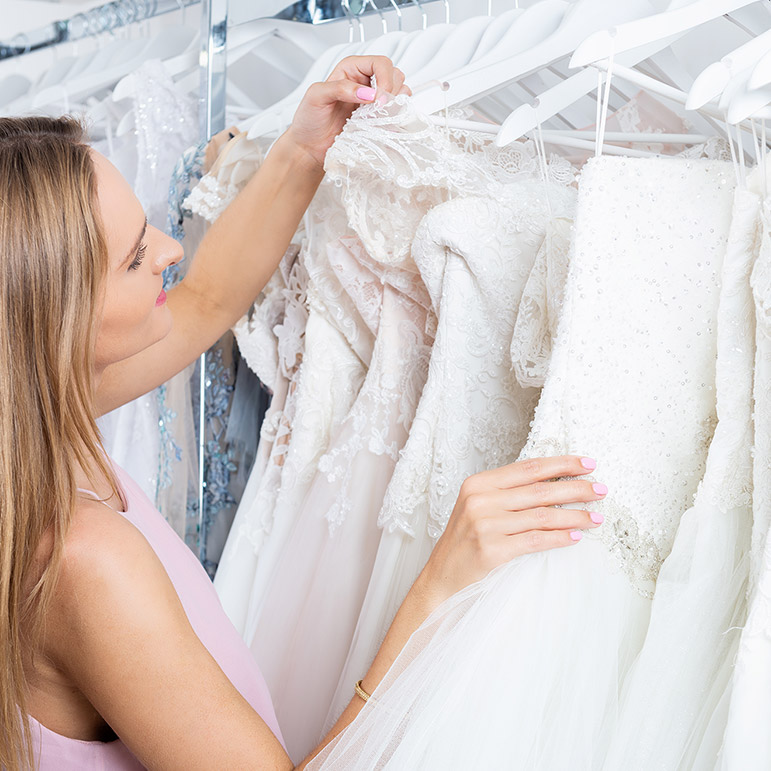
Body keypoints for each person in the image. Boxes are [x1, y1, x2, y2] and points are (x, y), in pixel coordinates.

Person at [0, 55, 608, 770]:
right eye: (136, 259)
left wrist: (302, 149)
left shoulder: (32, 418)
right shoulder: (84, 562)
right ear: (57, 323)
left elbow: (205, 303)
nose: (169, 251)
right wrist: (436, 590)